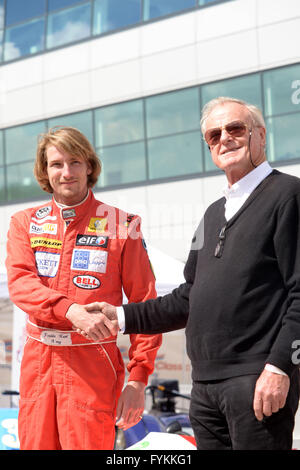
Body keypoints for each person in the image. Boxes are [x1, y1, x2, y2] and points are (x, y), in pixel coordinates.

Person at [91, 97, 300, 450]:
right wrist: (121, 315)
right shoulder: (212, 212)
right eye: (214, 135)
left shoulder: (289, 195)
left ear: (260, 136)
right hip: (204, 389)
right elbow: (188, 296)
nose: (225, 139)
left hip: (257, 381)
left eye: (235, 128)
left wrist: (280, 367)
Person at [5, 126, 162, 450]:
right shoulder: (25, 222)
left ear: (89, 166)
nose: (66, 172)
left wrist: (138, 379)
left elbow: (145, 304)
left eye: (75, 162)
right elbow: (21, 283)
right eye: (56, 164)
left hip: (92, 362)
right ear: (44, 171)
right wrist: (70, 310)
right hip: (38, 362)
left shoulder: (122, 225)